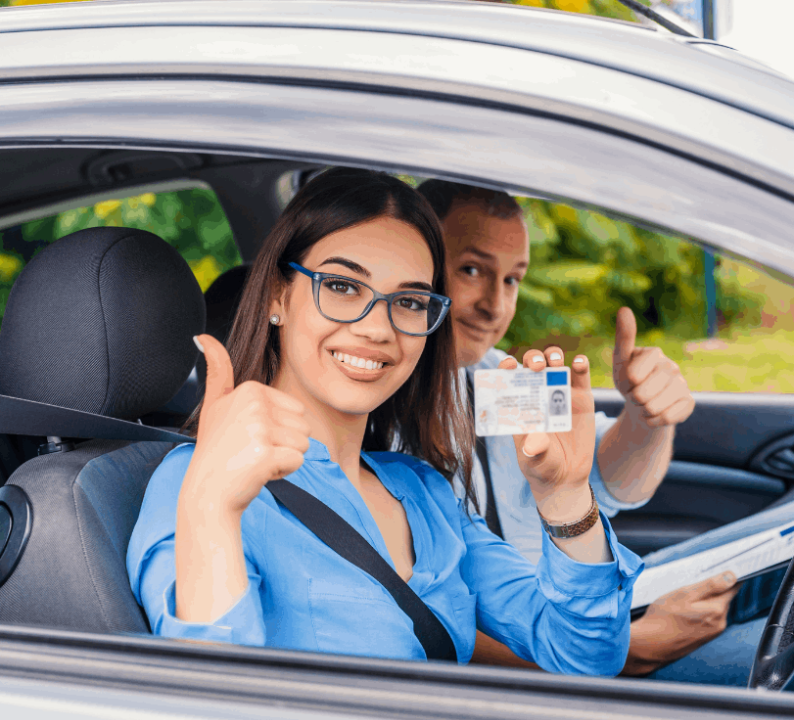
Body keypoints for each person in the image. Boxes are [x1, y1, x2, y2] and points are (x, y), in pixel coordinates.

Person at [126, 168, 642, 671]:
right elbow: (209, 697)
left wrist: (565, 498)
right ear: (278, 296)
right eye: (342, 286)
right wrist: (211, 506)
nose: (378, 328)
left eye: (410, 301)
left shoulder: (424, 492)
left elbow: (583, 655)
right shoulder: (199, 481)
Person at [416, 179, 772, 683]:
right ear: (419, 264)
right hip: (548, 664)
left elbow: (610, 480)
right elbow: (429, 623)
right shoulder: (373, 424)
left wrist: (647, 418)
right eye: (472, 270)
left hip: (576, 614)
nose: (495, 305)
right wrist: (634, 650)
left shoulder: (496, 377)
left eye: (513, 279)